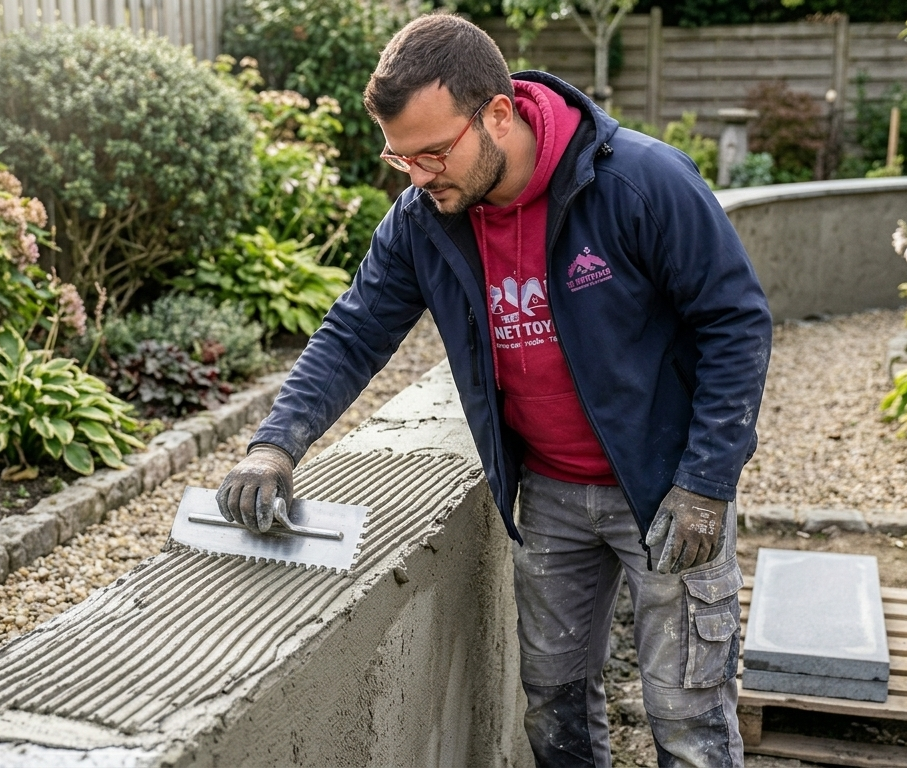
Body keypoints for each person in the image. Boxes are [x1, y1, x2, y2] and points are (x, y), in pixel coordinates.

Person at [216, 12, 771, 767]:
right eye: (400, 158)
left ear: (499, 114)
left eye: (433, 153)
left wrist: (706, 481)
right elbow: (353, 333)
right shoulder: (424, 220)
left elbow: (736, 323)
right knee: (555, 709)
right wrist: (274, 446)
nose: (416, 177)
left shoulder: (640, 183)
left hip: (668, 496)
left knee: (686, 719)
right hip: (548, 497)